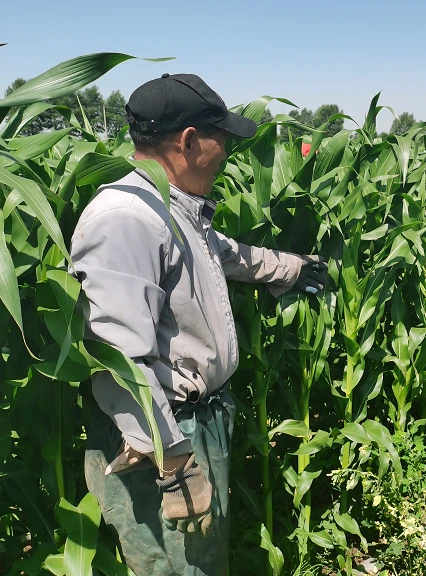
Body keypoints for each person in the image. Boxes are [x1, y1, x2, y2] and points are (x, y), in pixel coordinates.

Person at [71, 73, 328, 574]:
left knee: (202, 560)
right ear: (188, 141)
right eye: (222, 140)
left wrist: (291, 267)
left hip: (192, 424)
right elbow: (119, 358)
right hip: (157, 439)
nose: (227, 153)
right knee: (177, 566)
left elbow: (218, 254)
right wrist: (175, 464)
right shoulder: (124, 220)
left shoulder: (170, 208)